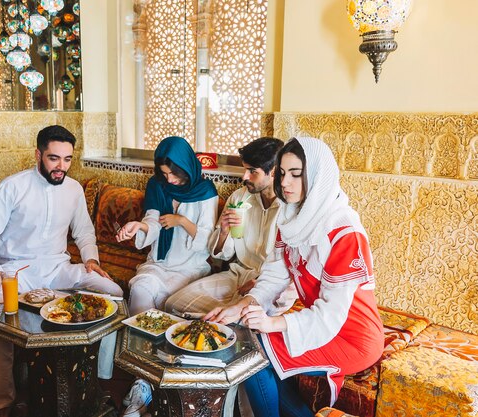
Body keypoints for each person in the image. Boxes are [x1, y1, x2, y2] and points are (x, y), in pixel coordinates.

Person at [206, 137, 385, 417]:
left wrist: (272, 322)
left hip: (351, 336)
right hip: (323, 323)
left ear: (317, 175)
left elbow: (329, 316)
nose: (285, 183)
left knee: (251, 354)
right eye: (282, 173)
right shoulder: (292, 218)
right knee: (248, 345)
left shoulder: (344, 231)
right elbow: (274, 276)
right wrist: (241, 306)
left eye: (296, 174)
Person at [0, 125, 123, 417]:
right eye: (54, 158)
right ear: (38, 154)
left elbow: (84, 233)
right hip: (16, 270)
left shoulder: (74, 189)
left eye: (67, 159)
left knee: (114, 294)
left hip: (58, 267)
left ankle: (100, 379)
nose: (61, 167)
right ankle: (2, 403)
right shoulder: (12, 187)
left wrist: (91, 260)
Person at [115, 136, 219, 417]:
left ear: (187, 167)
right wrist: (139, 226)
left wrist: (182, 221)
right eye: (164, 173)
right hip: (160, 262)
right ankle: (142, 381)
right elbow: (152, 221)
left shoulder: (206, 191)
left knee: (172, 304)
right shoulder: (156, 186)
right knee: (140, 291)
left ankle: (166, 380)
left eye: (175, 173)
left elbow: (211, 240)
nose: (170, 180)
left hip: (190, 267)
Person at [165, 137, 296, 316]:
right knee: (173, 303)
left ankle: (229, 317)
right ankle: (226, 317)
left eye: (252, 171)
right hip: (237, 274)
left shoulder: (291, 208)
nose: (244, 177)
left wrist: (259, 283)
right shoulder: (238, 198)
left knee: (243, 317)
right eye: (245, 169)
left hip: (271, 284)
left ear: (273, 172)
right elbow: (222, 254)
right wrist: (224, 231)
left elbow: (294, 265)